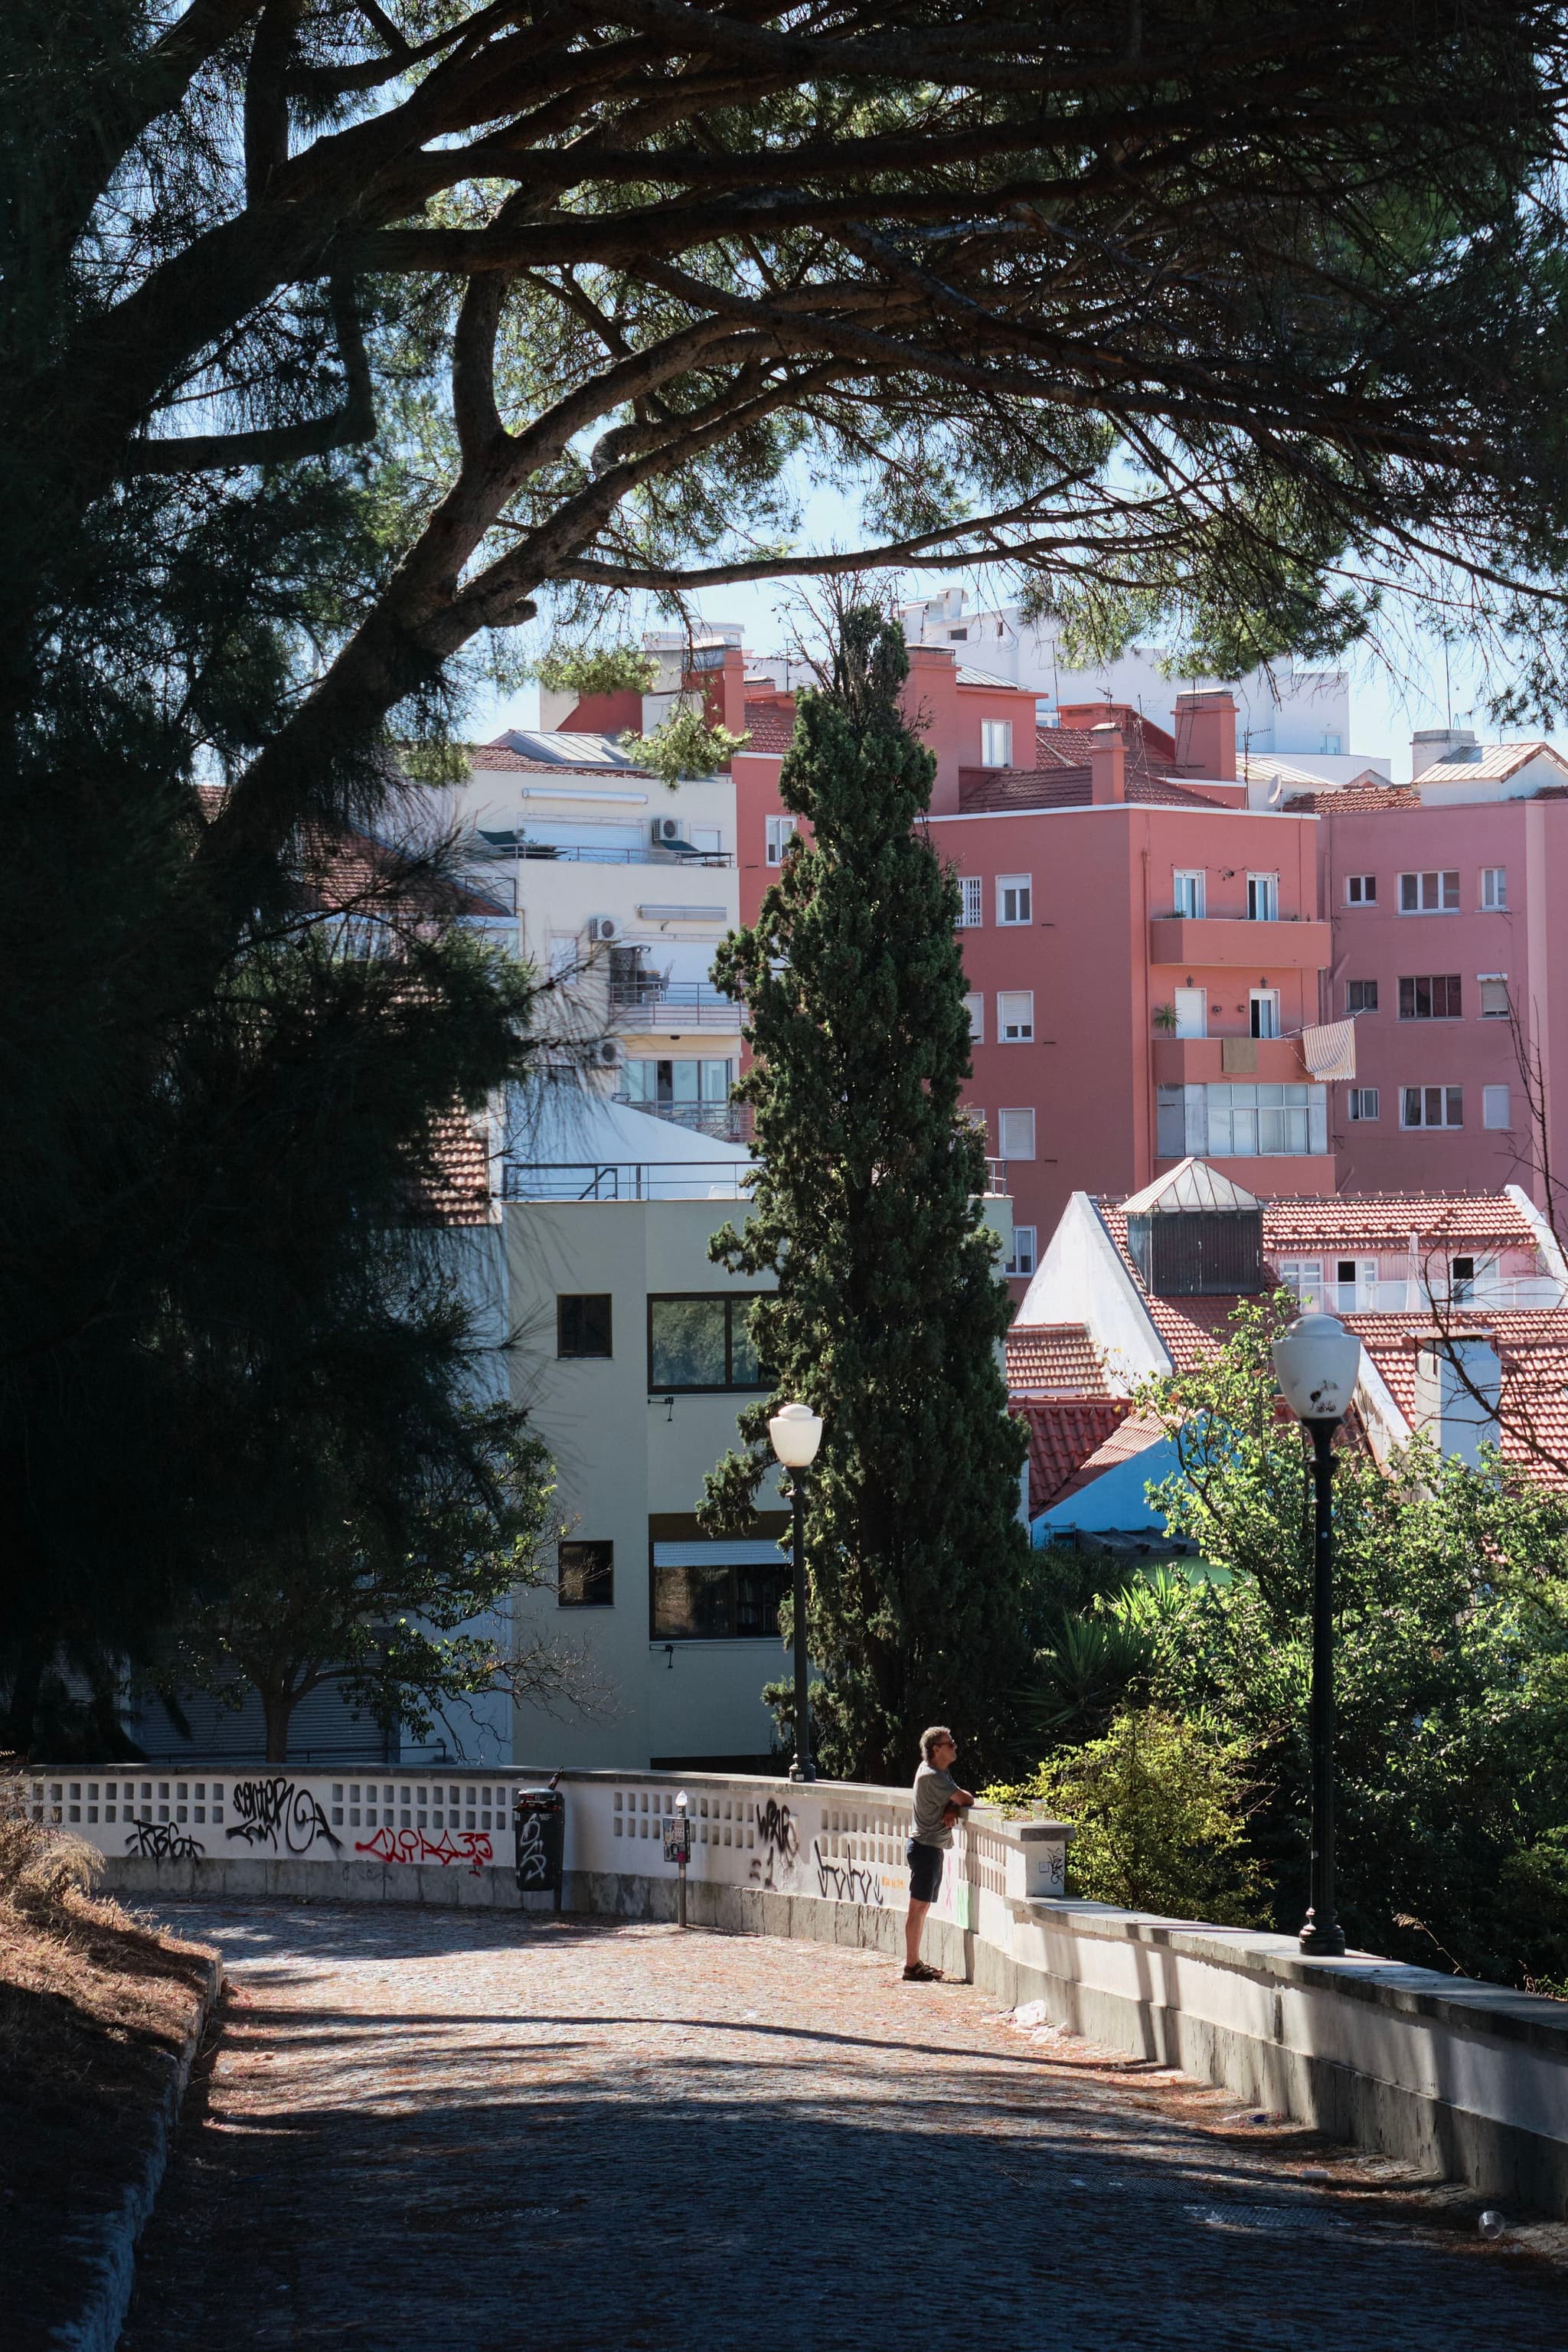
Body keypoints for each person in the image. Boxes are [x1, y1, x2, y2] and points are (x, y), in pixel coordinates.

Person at [903, 1724, 973, 1981]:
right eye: (949, 1743)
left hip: (926, 1847)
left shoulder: (934, 1772)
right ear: (936, 1749)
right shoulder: (934, 1776)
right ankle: (912, 1965)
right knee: (918, 1908)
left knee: (920, 1907)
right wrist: (956, 1803)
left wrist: (951, 1805)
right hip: (926, 1848)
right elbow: (968, 1799)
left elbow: (957, 1799)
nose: (954, 1746)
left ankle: (914, 1962)